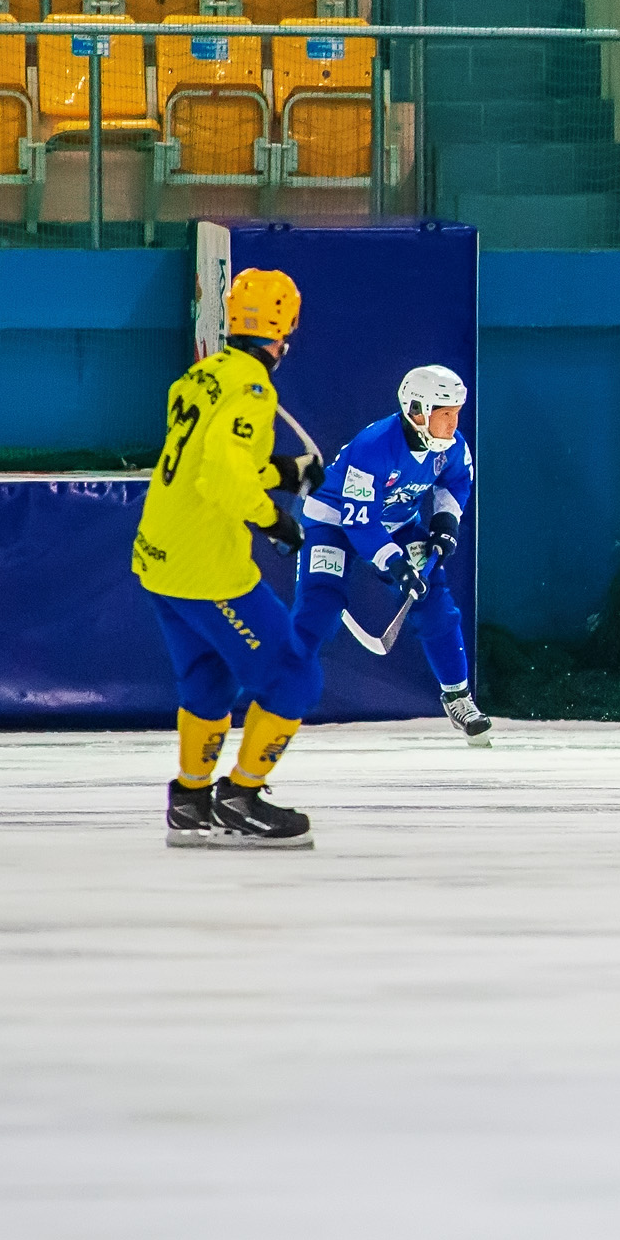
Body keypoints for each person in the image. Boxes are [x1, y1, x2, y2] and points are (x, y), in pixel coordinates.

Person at [131, 267, 324, 847]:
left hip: (159, 555)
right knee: (295, 676)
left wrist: (283, 472)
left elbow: (205, 463)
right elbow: (222, 476)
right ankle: (241, 796)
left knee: (207, 676)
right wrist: (275, 519)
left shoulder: (202, 375)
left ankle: (190, 800)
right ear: (284, 327)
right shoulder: (254, 388)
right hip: (207, 566)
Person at [291, 366, 486, 744]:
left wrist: (446, 522)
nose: (453, 422)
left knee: (433, 601)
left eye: (456, 412)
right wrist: (395, 565)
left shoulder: (452, 446)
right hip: (332, 520)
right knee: (320, 606)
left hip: (396, 522)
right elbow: (360, 523)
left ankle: (459, 698)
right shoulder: (373, 446)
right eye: (444, 413)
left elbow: (456, 481)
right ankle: (281, 688)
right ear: (417, 411)